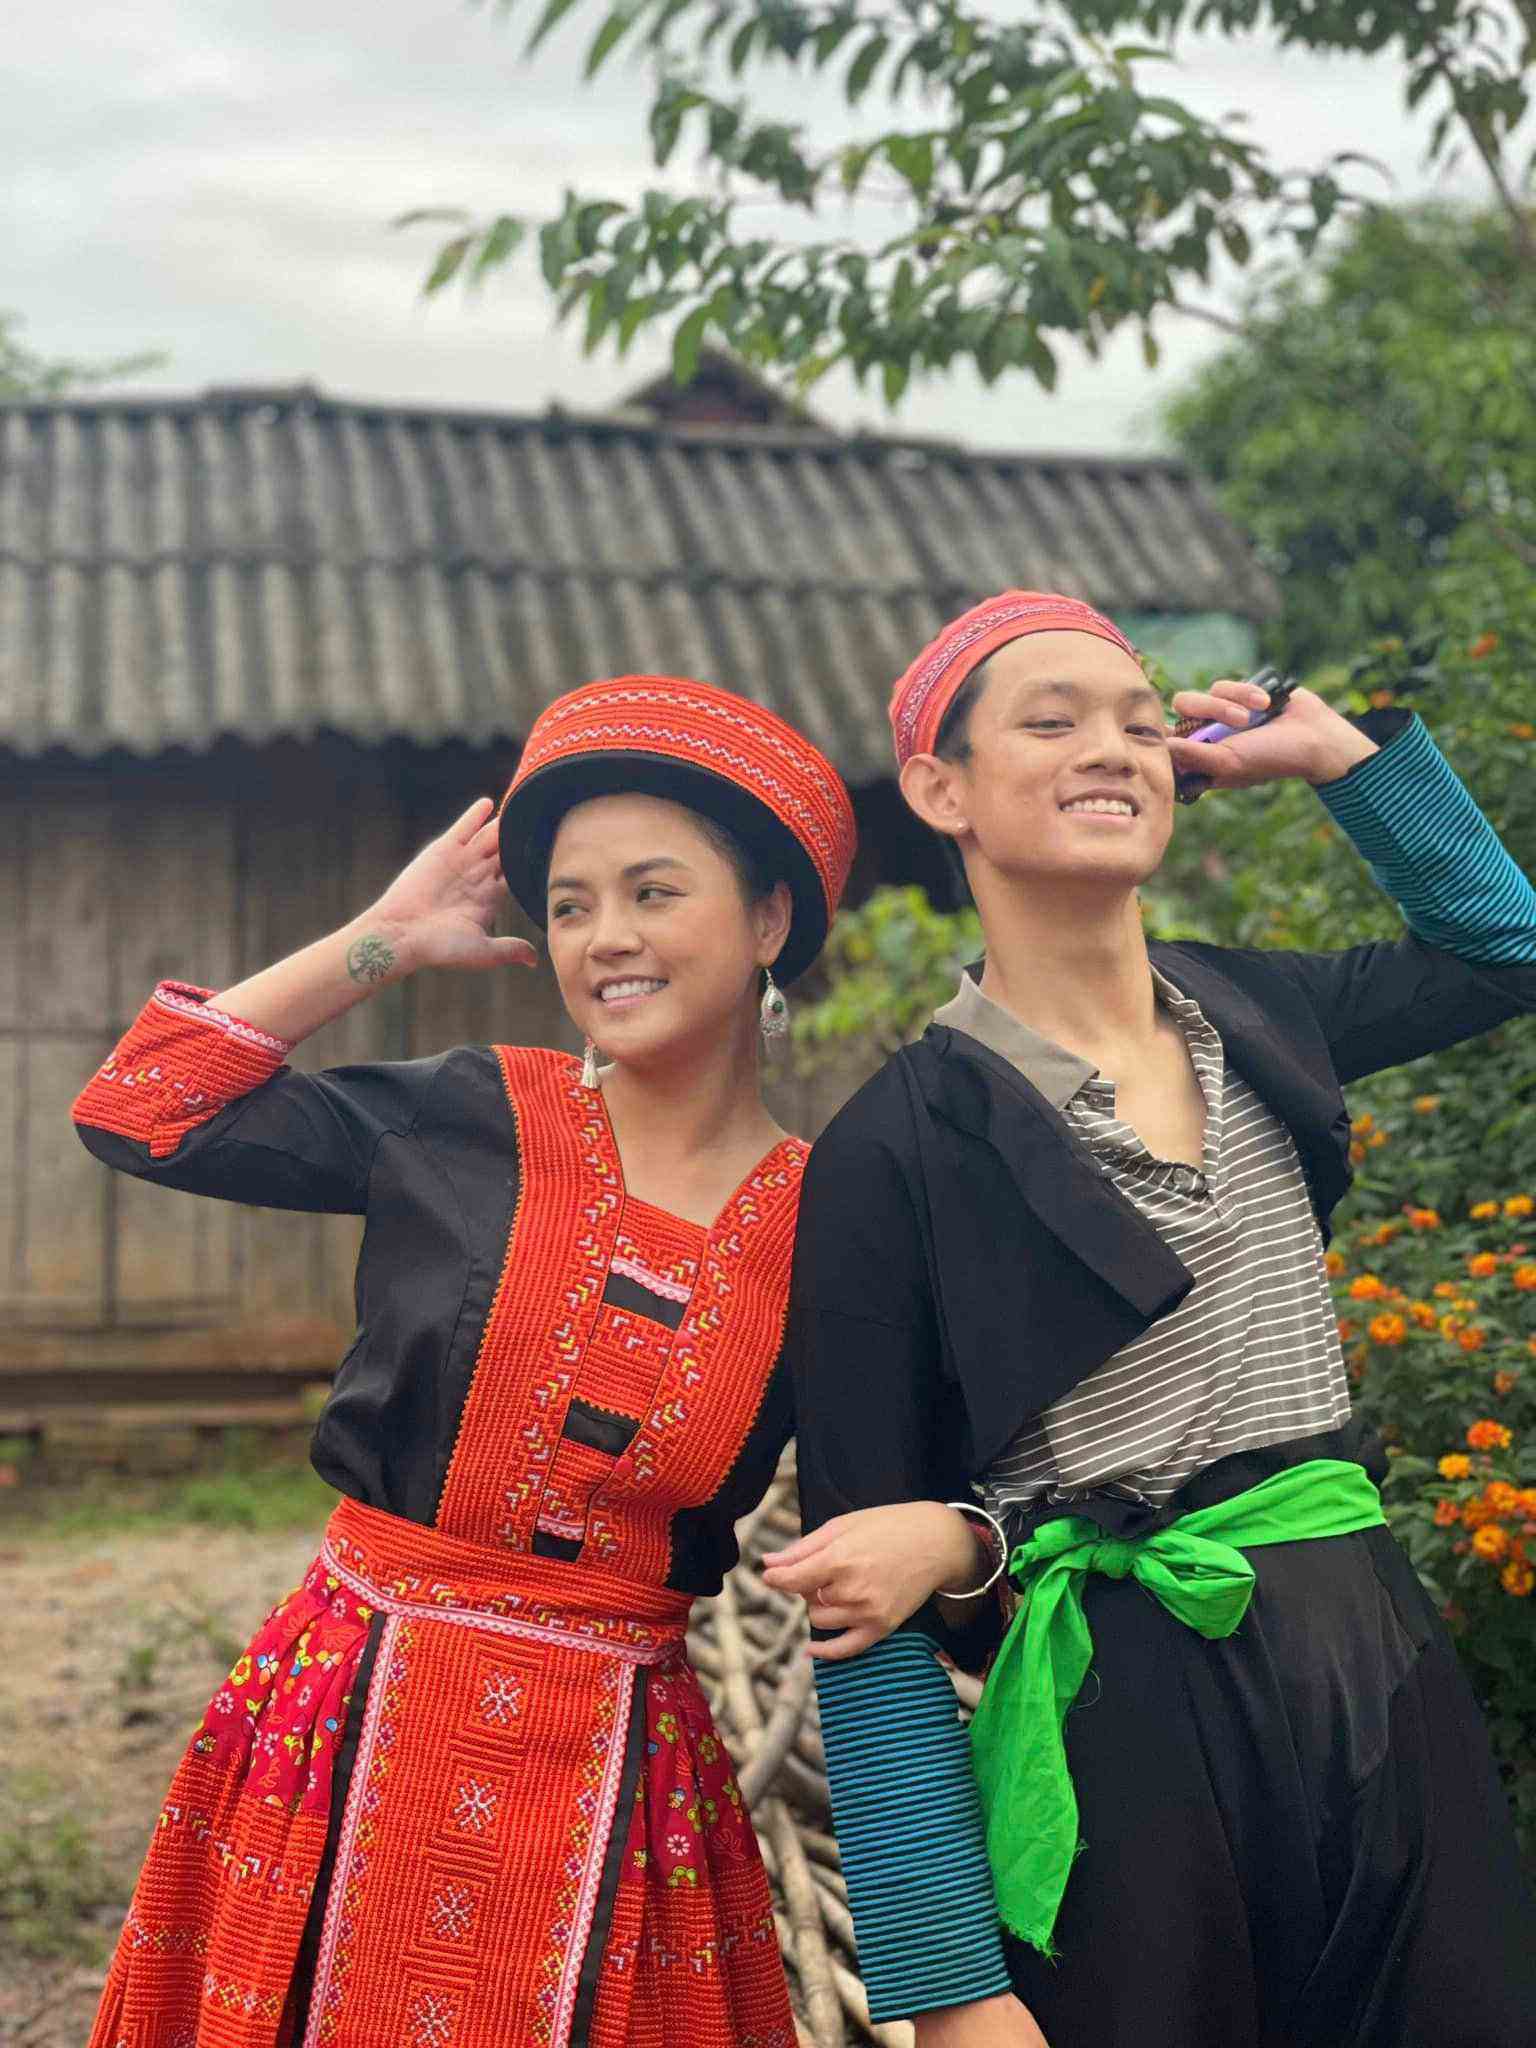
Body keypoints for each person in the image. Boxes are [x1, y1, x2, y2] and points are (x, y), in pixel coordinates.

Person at [768, 592, 1536, 2048]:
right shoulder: (896, 1148)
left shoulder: (1260, 1014)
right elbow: (859, 1595)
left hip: (1372, 1654)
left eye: (1138, 722)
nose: (1111, 749)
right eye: (1051, 722)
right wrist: (949, 1990)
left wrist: (1346, 763)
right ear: (941, 789)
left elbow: (1510, 949)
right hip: (1128, 1712)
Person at [73, 674, 876, 2048]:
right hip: (348, 1725)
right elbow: (140, 1110)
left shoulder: (834, 1228)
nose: (605, 939)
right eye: (568, 905)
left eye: (653, 893)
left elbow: (908, 1510)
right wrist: (380, 943)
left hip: (625, 1789)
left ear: (768, 922)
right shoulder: (468, 1118)